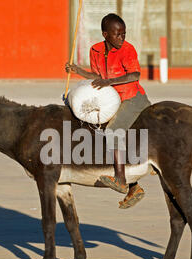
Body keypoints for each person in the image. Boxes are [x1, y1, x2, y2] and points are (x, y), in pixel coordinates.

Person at [65, 13, 151, 209]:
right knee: (94, 130)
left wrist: (109, 82)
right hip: (112, 99)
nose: (122, 38)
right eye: (117, 34)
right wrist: (77, 70)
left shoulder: (127, 50)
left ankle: (121, 180)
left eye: (124, 33)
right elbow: (97, 76)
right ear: (105, 34)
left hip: (132, 98)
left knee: (112, 133)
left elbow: (135, 74)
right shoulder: (95, 50)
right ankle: (134, 187)